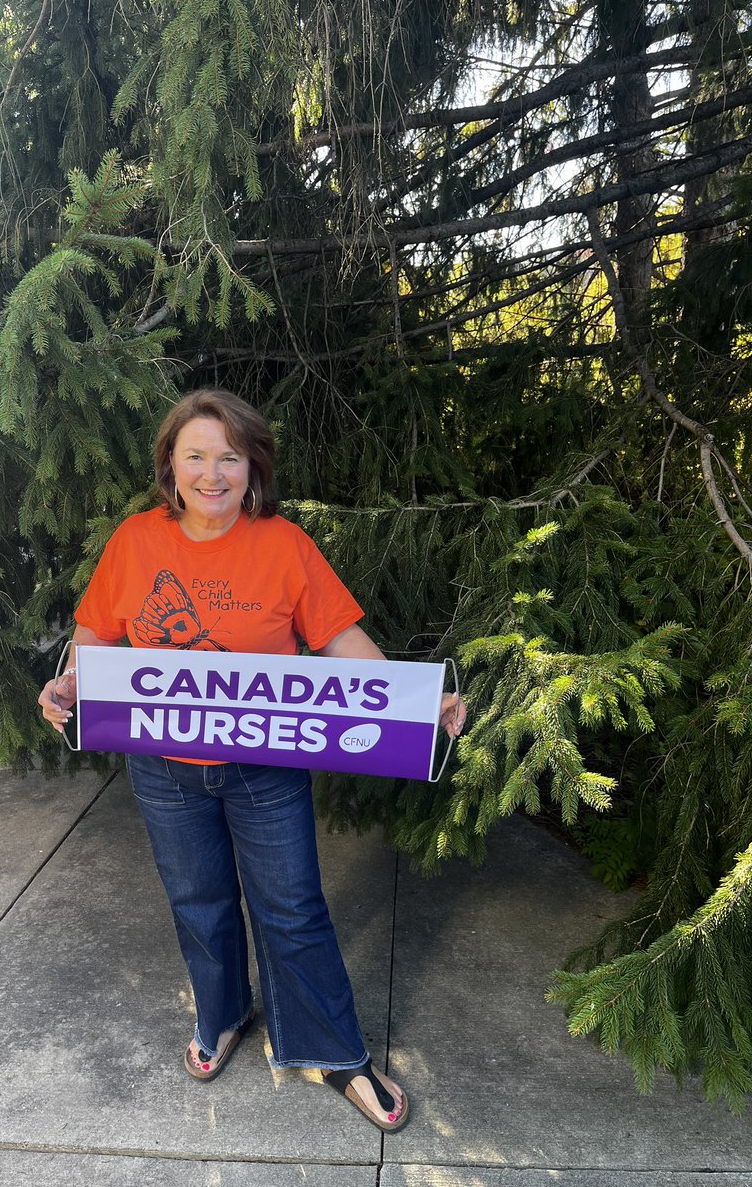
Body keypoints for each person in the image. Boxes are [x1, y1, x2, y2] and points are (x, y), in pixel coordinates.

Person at [38, 389, 465, 1133]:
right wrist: (73, 682)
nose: (211, 473)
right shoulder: (136, 541)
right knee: (197, 902)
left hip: (264, 769)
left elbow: (339, 643)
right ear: (170, 464)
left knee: (293, 908)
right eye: (195, 455)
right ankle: (225, 1011)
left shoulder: (284, 545)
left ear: (251, 467)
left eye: (228, 457)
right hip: (162, 769)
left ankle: (334, 1052)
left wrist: (414, 701)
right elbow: (95, 631)